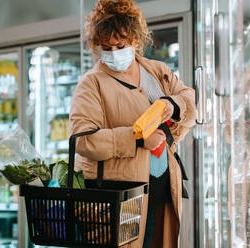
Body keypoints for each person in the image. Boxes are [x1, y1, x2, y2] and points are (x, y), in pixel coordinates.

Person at [69, 0, 195, 247]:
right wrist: (137, 138)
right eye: (106, 47)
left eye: (120, 45)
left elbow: (189, 100)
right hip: (121, 196)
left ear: (136, 40)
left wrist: (173, 104)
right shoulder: (91, 83)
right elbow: (83, 140)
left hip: (164, 187)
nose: (114, 53)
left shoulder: (156, 71)